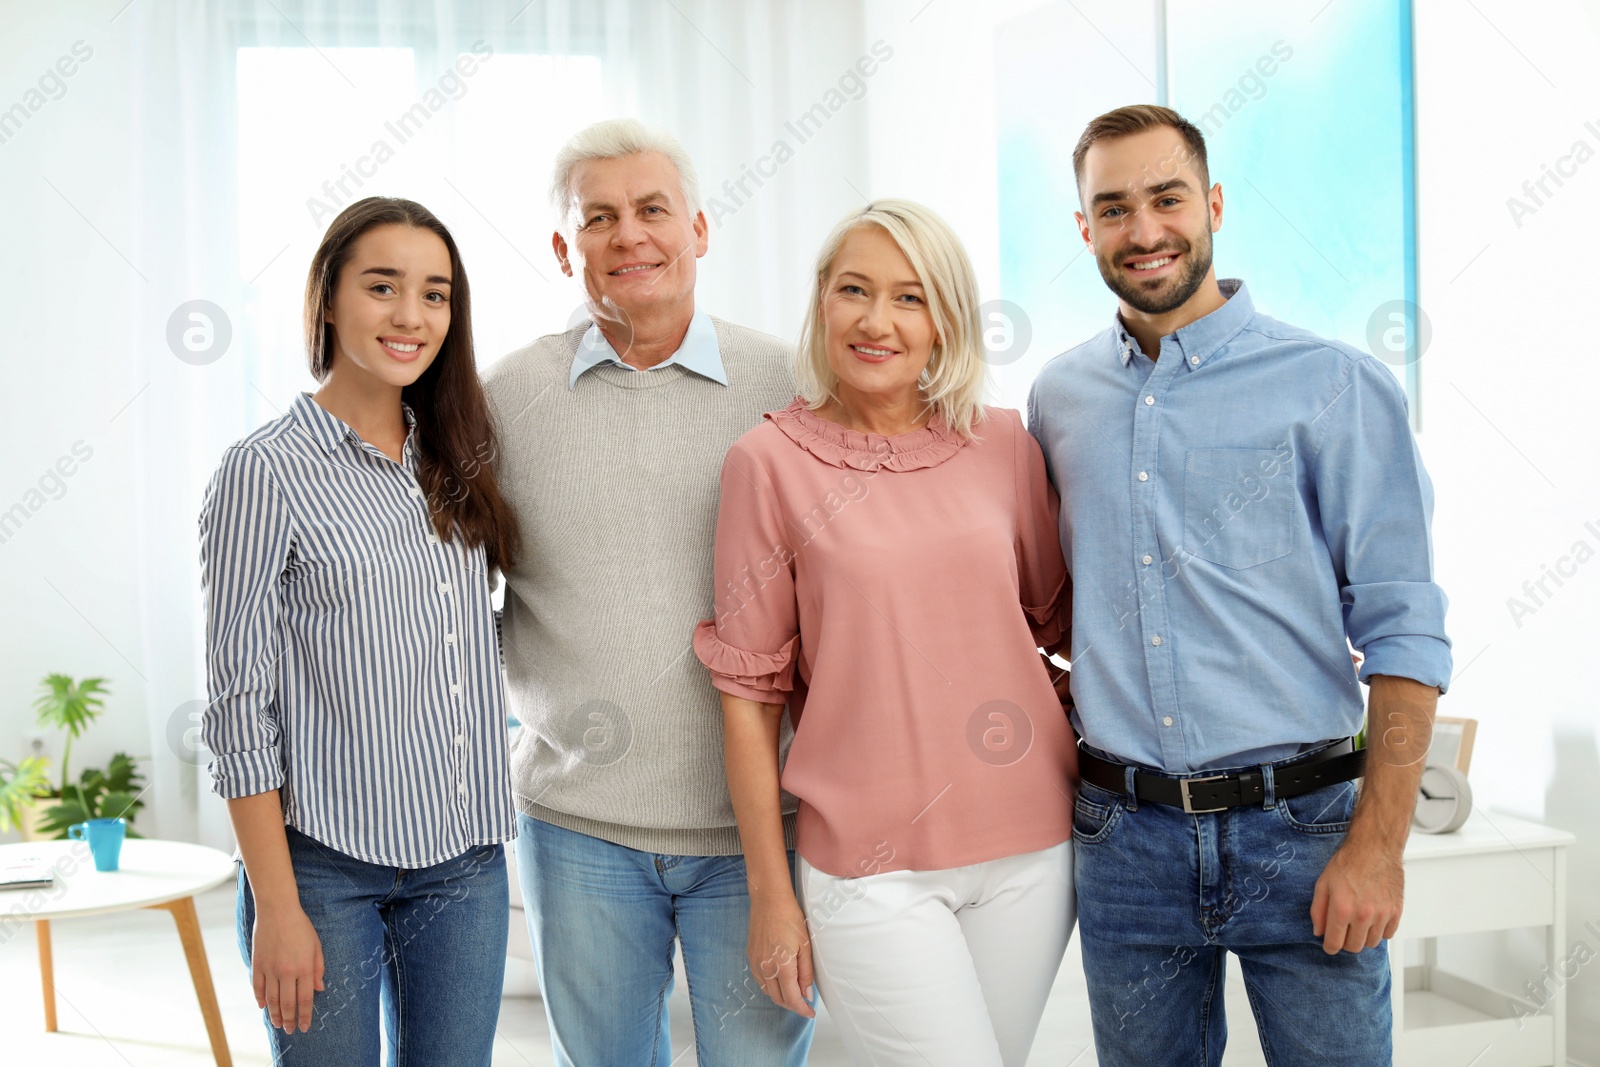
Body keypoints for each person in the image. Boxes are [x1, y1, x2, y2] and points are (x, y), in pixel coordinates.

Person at [1029, 104, 1452, 1065]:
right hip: (1123, 839)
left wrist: (1378, 846)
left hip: (1303, 832)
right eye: (1114, 207)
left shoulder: (1334, 386)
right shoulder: (1058, 400)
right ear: (1085, 227)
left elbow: (1406, 633)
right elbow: (1051, 604)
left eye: (1167, 197)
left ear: (1212, 203)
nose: (1144, 230)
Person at [696, 199, 1077, 1067]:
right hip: (868, 867)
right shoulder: (768, 464)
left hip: (1033, 846)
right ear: (821, 303)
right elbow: (748, 697)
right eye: (853, 290)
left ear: (943, 321)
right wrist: (770, 894)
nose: (876, 320)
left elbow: (1057, 632)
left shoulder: (1005, 445)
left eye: (908, 298)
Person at [483, 118, 812, 1066]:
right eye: (599, 218)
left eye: (652, 209)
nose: (630, 235)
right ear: (563, 248)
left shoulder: (789, 384)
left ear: (698, 230)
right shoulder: (504, 397)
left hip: (761, 829)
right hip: (577, 827)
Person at [200, 197, 522, 1065]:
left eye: (437, 294)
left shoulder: (457, 460)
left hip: (463, 862)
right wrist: (275, 902)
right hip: (320, 870)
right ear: (329, 300)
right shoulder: (263, 472)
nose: (412, 316)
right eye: (384, 286)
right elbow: (237, 706)